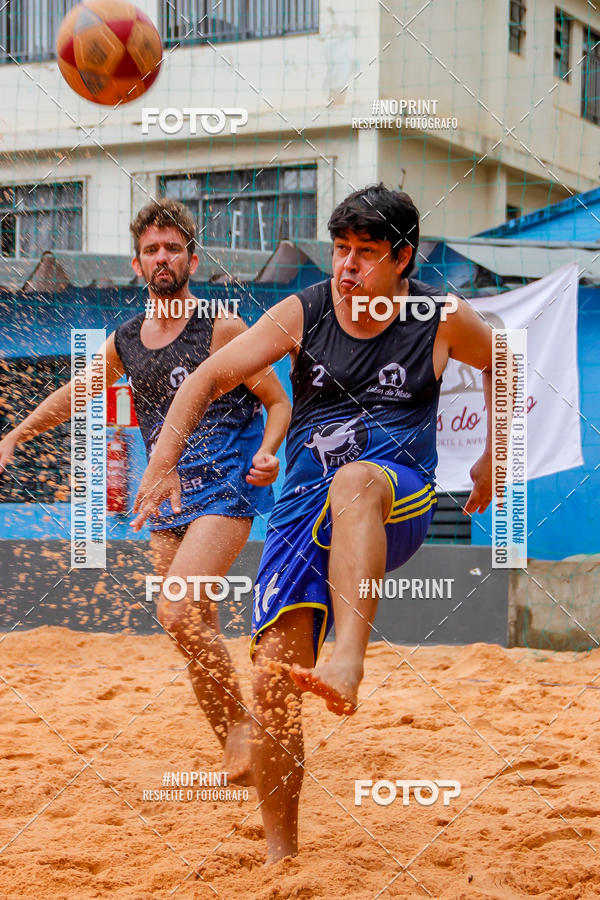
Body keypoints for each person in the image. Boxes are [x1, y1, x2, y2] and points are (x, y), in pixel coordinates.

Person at [131, 184, 497, 862]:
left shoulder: (439, 319)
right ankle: (281, 856)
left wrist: (492, 460)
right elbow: (207, 377)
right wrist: (161, 462)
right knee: (273, 678)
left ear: (403, 258)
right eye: (340, 251)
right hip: (302, 513)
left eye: (365, 254)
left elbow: (504, 358)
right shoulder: (308, 311)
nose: (347, 268)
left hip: (395, 498)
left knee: (356, 479)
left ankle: (350, 660)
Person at [0, 199, 291, 783]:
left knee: (176, 610)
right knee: (194, 624)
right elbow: (78, 393)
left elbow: (277, 399)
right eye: (152, 250)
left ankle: (242, 728)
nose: (162, 258)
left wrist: (269, 450)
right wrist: (17, 433)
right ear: (137, 265)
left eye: (173, 248)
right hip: (165, 500)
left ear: (192, 258)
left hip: (225, 493)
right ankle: (243, 747)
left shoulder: (222, 327)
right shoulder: (128, 339)